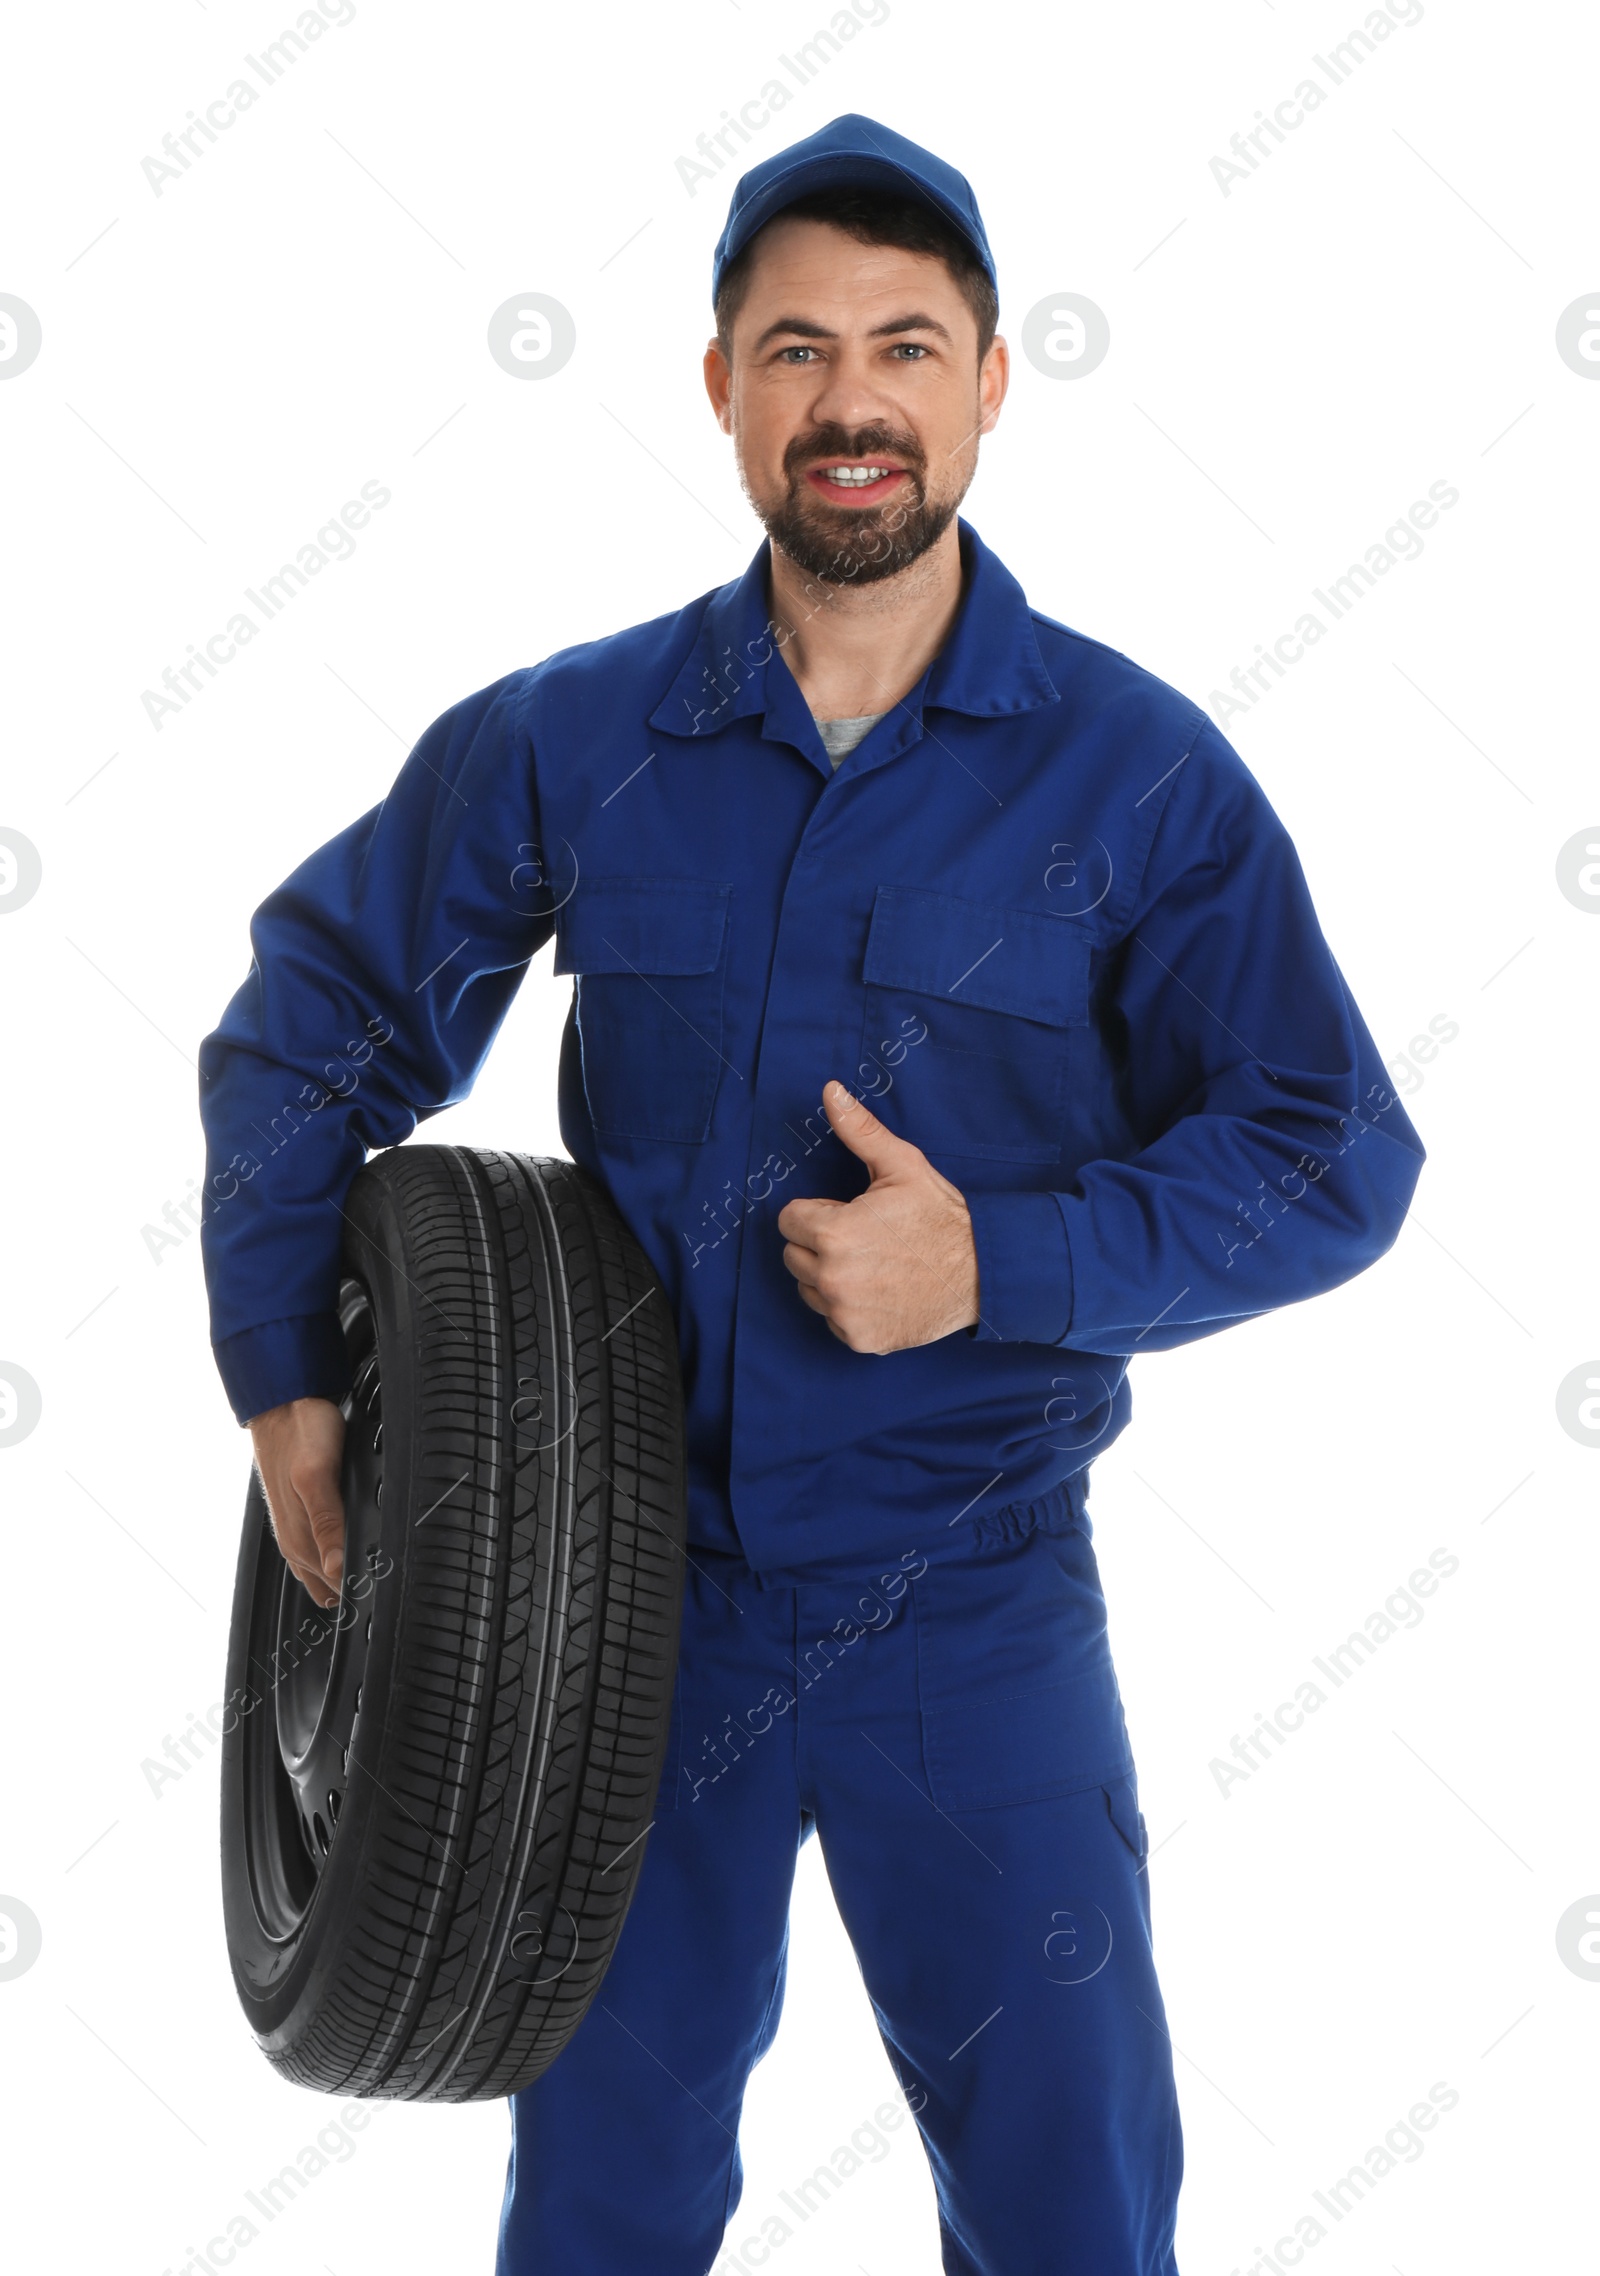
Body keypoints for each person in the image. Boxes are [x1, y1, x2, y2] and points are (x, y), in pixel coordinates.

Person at [198, 113, 1426, 2276]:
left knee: (1068, 2201)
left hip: (974, 1610)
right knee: (600, 2207)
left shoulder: (1134, 780)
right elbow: (316, 1013)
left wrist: (999, 1262)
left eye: (900, 346)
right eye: (793, 350)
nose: (848, 400)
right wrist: (290, 1368)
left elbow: (1333, 1154)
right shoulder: (580, 739)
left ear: (980, 385)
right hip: (623, 1623)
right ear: (722, 391)